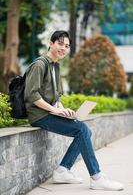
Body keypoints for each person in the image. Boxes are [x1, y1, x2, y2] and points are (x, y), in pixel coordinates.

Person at [24, 30, 124, 191]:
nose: (63, 48)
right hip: (39, 115)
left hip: (49, 112)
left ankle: (63, 170)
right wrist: (54, 111)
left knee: (84, 131)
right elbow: (31, 95)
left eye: (67, 46)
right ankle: (96, 177)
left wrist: (64, 110)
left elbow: (56, 98)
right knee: (82, 129)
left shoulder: (55, 66)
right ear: (51, 43)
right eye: (60, 44)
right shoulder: (39, 65)